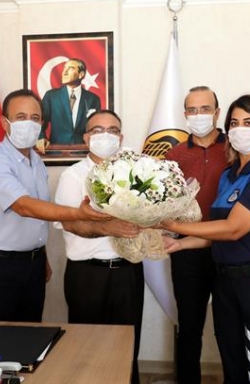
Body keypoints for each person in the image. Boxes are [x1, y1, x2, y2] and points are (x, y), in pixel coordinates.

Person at [162, 94, 250, 384]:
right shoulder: (229, 175)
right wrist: (180, 243)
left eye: (249, 122)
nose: (239, 129)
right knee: (233, 370)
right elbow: (218, 233)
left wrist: (174, 225)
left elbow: (233, 229)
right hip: (228, 283)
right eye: (234, 123)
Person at [0, 89, 108, 323]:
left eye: (35, 118)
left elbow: (38, 218)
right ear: (5, 122)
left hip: (32, 264)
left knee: (31, 334)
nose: (29, 124)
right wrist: (77, 214)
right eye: (21, 117)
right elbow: (25, 207)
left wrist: (41, 256)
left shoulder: (36, 162)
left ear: (42, 123)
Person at [54, 109, 144, 384]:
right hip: (87, 276)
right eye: (97, 130)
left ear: (121, 138)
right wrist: (107, 228)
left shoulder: (136, 173)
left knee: (128, 348)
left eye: (112, 131)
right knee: (87, 349)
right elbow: (69, 224)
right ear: (86, 138)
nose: (106, 136)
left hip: (128, 272)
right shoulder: (72, 176)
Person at [164, 86, 228, 384]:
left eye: (205, 109)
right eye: (192, 110)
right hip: (187, 250)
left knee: (229, 326)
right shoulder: (174, 154)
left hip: (229, 248)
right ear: (185, 114)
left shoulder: (236, 148)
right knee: (189, 327)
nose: (198, 115)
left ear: (217, 112)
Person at [38, 58, 101, 148]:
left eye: (70, 68)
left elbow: (96, 127)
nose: (64, 72)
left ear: (81, 74)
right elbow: (40, 122)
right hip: (56, 151)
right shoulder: (51, 96)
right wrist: (41, 138)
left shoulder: (93, 99)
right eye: (64, 68)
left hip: (83, 151)